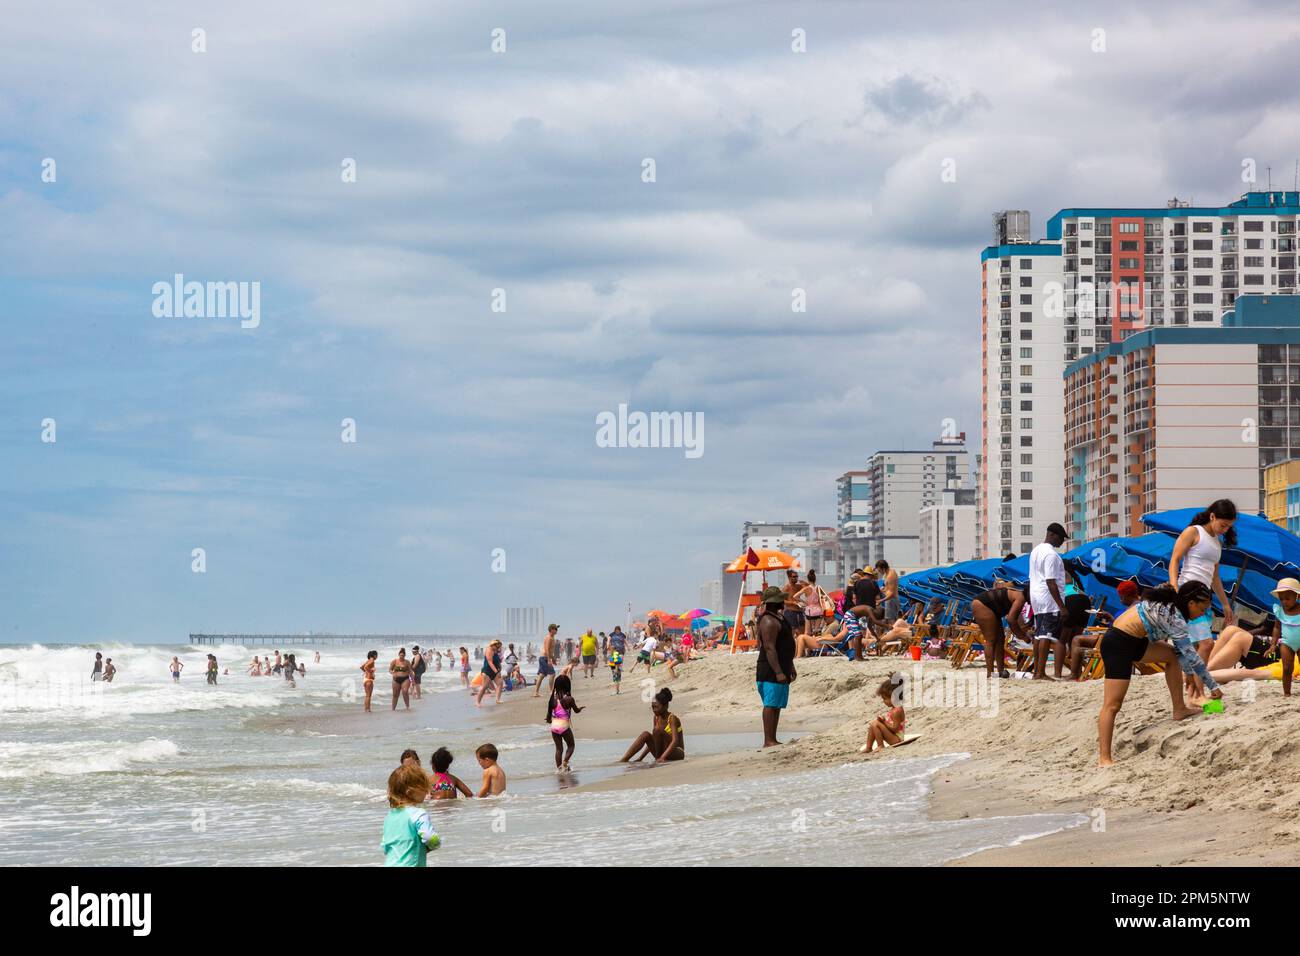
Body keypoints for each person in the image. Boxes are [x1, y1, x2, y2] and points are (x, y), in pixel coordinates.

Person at [1096, 582, 1223, 767]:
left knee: (1171, 655)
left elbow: (1181, 653)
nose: (1203, 613)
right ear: (1191, 604)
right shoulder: (1175, 616)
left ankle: (1179, 709)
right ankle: (1104, 759)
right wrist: (1213, 686)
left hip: (1135, 640)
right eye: (1203, 608)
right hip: (1117, 643)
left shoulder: (1173, 608)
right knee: (1112, 705)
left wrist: (1189, 675)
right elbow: (1192, 657)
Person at [1169, 499, 1238, 695]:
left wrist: (1225, 604)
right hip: (1188, 595)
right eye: (1223, 525)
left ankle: (1192, 691)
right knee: (1206, 644)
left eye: (1229, 526)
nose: (1225, 529)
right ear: (1212, 516)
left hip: (1204, 599)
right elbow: (1175, 559)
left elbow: (1214, 577)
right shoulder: (1193, 532)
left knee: (1193, 647)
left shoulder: (1217, 542)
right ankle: (1198, 691)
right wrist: (1175, 587)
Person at [1066, 579, 1138, 680]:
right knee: (1077, 639)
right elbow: (1123, 625)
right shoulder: (1134, 607)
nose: (1120, 601)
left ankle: (1074, 674)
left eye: (1121, 598)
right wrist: (1111, 618)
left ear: (1128, 595)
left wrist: (1111, 621)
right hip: (1116, 636)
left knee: (1076, 640)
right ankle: (1077, 674)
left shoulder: (1133, 609)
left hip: (1116, 640)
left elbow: (1125, 628)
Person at [1028, 523, 1070, 681]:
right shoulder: (1051, 555)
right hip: (1048, 599)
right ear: (1052, 534)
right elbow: (1051, 582)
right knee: (1046, 635)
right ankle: (1040, 673)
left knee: (1039, 636)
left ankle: (1036, 673)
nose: (1061, 542)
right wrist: (1062, 606)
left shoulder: (1036, 551)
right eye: (1061, 538)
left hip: (1037, 597)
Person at [756, 585, 796, 747]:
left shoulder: (779, 618)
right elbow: (769, 648)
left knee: (777, 704)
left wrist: (790, 666)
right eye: (780, 599)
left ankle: (773, 738)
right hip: (770, 669)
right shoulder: (768, 620)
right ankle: (768, 740)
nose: (783, 601)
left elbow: (785, 645)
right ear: (774, 602)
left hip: (782, 666)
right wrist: (778, 672)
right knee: (770, 704)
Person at [382, 764, 440, 867]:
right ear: (410, 792)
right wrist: (433, 845)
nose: (427, 790)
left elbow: (385, 847)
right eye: (423, 787)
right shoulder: (418, 814)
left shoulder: (389, 817)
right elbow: (430, 838)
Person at [970, 580, 1028, 679]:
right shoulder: (1021, 597)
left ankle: (1000, 671)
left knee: (1000, 639)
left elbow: (1018, 619)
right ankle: (990, 674)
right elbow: (1011, 620)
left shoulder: (1020, 596)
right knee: (991, 640)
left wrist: (1024, 630)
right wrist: (1023, 636)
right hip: (982, 604)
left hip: (992, 606)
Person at [620, 687, 685, 763]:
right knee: (645, 734)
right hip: (661, 753)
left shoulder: (672, 718)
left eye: (656, 707)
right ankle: (624, 759)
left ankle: (658, 758)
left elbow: (675, 741)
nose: (654, 710)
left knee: (657, 730)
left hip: (677, 753)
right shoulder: (656, 718)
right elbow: (655, 740)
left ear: (666, 706)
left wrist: (662, 758)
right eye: (653, 707)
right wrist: (640, 758)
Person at [544, 675, 583, 772]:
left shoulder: (552, 699)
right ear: (567, 685)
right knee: (571, 746)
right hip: (564, 726)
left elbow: (549, 717)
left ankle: (559, 769)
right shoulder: (569, 699)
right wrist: (580, 709)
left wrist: (550, 719)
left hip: (554, 726)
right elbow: (576, 710)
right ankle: (565, 762)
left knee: (558, 749)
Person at [859, 675, 905, 753]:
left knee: (875, 724)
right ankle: (869, 747)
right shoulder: (894, 709)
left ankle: (880, 745)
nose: (883, 701)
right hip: (893, 736)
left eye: (885, 699)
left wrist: (883, 722)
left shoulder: (897, 711)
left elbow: (895, 729)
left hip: (897, 739)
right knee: (873, 724)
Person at [795, 569, 829, 642]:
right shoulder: (819, 588)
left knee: (807, 632)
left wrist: (804, 601)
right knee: (817, 631)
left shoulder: (806, 588)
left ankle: (807, 649)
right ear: (815, 579)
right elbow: (825, 597)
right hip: (819, 611)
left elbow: (795, 596)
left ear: (808, 579)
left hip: (810, 611)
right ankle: (816, 647)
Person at [475, 640, 504, 707]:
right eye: (497, 646)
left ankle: (497, 699)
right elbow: (490, 662)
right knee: (484, 687)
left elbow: (497, 661)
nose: (498, 647)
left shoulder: (495, 650)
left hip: (495, 671)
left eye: (498, 646)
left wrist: (499, 667)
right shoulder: (489, 650)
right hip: (487, 671)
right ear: (493, 645)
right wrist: (496, 672)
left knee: (500, 683)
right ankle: (477, 702)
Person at [782, 569, 807, 641]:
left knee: (802, 632)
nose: (796, 578)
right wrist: (792, 603)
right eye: (794, 576)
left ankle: (802, 650)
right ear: (789, 578)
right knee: (792, 633)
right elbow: (781, 600)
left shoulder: (798, 586)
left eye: (797, 576)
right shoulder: (786, 588)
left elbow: (810, 588)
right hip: (790, 612)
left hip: (800, 612)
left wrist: (805, 583)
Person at [535, 625, 559, 699]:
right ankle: (551, 691)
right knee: (552, 674)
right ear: (551, 630)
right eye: (555, 629)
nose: (556, 630)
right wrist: (549, 660)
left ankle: (536, 692)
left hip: (545, 658)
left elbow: (551, 651)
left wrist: (553, 659)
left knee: (542, 675)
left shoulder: (552, 637)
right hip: (544, 658)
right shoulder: (548, 638)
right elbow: (547, 649)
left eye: (556, 629)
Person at [876, 560, 900, 625]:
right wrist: (883, 589)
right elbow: (889, 588)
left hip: (891, 600)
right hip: (889, 600)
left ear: (883, 568)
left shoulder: (890, 575)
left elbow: (891, 593)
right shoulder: (888, 574)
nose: (880, 573)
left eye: (880, 570)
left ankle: (894, 634)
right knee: (889, 620)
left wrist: (881, 600)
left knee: (891, 621)